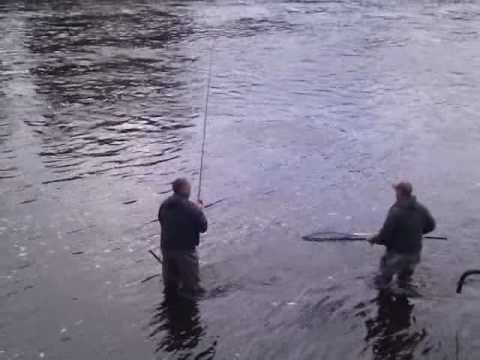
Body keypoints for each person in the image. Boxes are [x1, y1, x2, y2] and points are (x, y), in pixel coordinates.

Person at [369, 182, 436, 288]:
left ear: (400, 192)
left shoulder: (396, 211)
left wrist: (373, 239)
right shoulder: (421, 208)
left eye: (396, 191)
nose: (395, 193)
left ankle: (384, 300)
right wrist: (416, 232)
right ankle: (404, 298)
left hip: (397, 254)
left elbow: (385, 236)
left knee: (383, 281)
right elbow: (431, 226)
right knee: (404, 280)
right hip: (414, 254)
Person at [158, 178, 208, 297]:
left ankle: (170, 307)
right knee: (193, 288)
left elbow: (161, 220)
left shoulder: (164, 204)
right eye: (189, 187)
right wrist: (199, 209)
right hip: (185, 251)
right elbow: (203, 227)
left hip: (166, 248)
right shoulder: (192, 208)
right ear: (184, 189)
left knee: (171, 285)